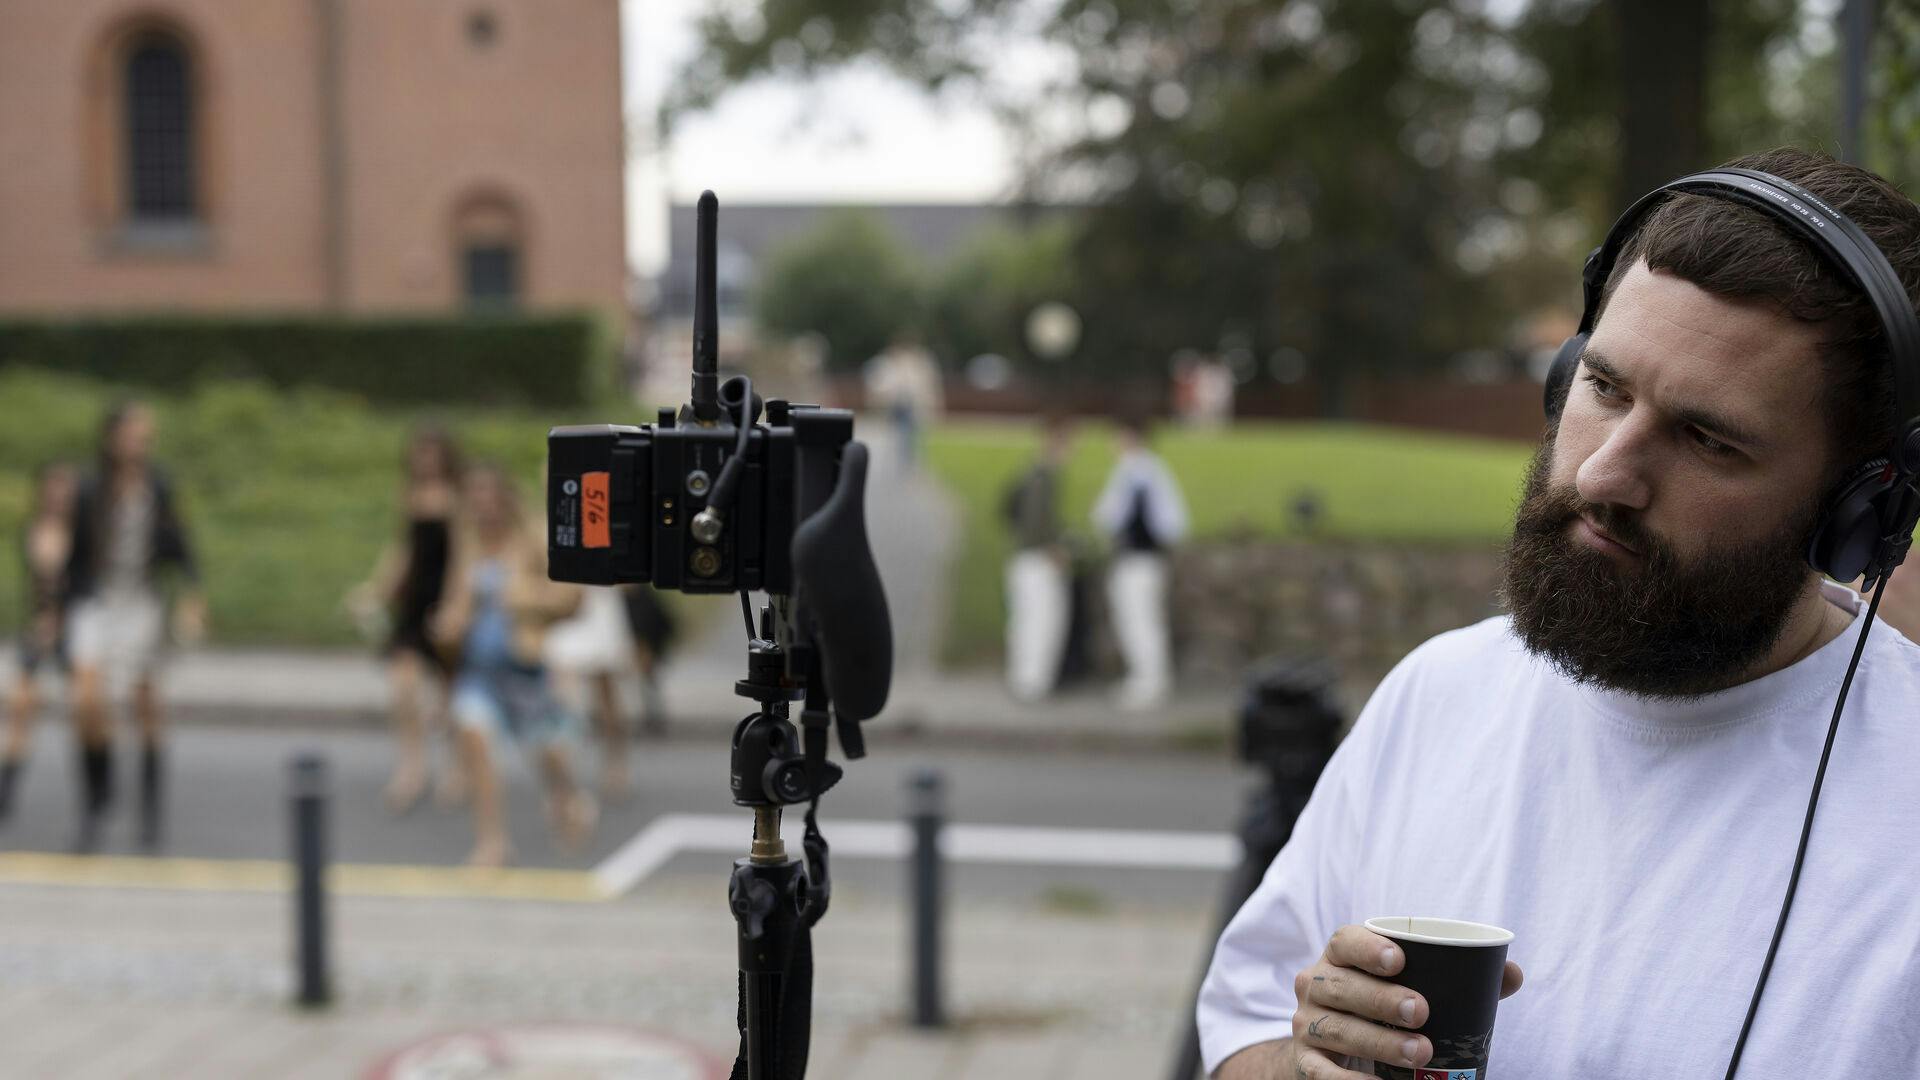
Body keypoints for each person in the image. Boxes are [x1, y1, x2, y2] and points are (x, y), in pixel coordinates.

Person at [1198, 148, 1920, 1078]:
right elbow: (1240, 1034)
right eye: (1604, 387)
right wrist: (1302, 1063)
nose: (1604, 472)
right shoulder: (1436, 696)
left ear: (1857, 509)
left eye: (1707, 438)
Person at [432, 463, 593, 868]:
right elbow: (455, 602)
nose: (483, 506)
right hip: (479, 673)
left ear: (505, 498)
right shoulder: (467, 546)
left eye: (490, 496)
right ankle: (492, 842)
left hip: (525, 670)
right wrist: (448, 625)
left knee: (549, 755)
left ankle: (567, 798)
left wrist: (523, 598)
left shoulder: (531, 539)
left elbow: (572, 599)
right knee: (474, 739)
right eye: (475, 498)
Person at [64, 401, 206, 853]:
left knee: (147, 707)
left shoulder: (157, 485)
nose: (142, 442)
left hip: (141, 602)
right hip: (97, 601)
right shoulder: (89, 488)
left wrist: (192, 591)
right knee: (86, 701)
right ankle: (97, 798)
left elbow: (180, 543)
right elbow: (73, 557)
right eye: (135, 433)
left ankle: (149, 815)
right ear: (113, 437)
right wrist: (54, 612)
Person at [347, 426, 463, 813]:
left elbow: (464, 555)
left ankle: (456, 766)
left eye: (432, 454)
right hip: (416, 603)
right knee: (404, 685)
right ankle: (412, 767)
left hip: (447, 599)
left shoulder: (458, 498)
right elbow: (403, 550)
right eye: (419, 454)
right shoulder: (411, 496)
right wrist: (377, 590)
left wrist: (456, 604)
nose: (425, 462)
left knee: (452, 696)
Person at [1091, 411, 1187, 710]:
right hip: (1142, 559)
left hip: (1138, 559)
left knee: (1140, 620)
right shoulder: (1147, 471)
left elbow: (1109, 516)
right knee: (1139, 620)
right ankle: (1147, 679)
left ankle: (1149, 682)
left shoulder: (1137, 473)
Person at [1, 463, 80, 822]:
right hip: (40, 628)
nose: (57, 497)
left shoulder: (85, 534)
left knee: (85, 710)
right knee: (21, 706)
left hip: (76, 628)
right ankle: (7, 789)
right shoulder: (34, 530)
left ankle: (94, 789)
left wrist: (61, 622)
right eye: (52, 488)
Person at [1003, 413, 1075, 701]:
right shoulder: (1042, 478)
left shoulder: (1033, 474)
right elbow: (1034, 520)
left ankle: (1027, 681)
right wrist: (1051, 549)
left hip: (1027, 557)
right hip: (1036, 560)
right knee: (1039, 622)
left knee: (1028, 621)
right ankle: (1031, 683)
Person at [543, 585, 638, 800]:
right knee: (563, 690)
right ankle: (564, 764)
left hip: (600, 602)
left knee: (606, 693)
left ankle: (615, 761)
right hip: (568, 602)